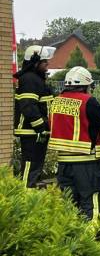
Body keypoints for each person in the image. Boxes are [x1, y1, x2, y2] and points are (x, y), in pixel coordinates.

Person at [48, 66, 100, 241]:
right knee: (91, 197)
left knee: (69, 199)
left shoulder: (56, 101)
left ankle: (71, 233)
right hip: (86, 160)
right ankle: (92, 235)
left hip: (63, 161)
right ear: (85, 84)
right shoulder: (88, 101)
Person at [13, 45, 56, 188]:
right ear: (35, 62)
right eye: (45, 62)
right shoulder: (29, 79)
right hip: (31, 131)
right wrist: (40, 127)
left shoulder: (35, 78)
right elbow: (28, 106)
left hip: (37, 131)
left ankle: (30, 190)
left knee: (36, 163)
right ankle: (25, 192)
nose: (47, 65)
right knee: (30, 162)